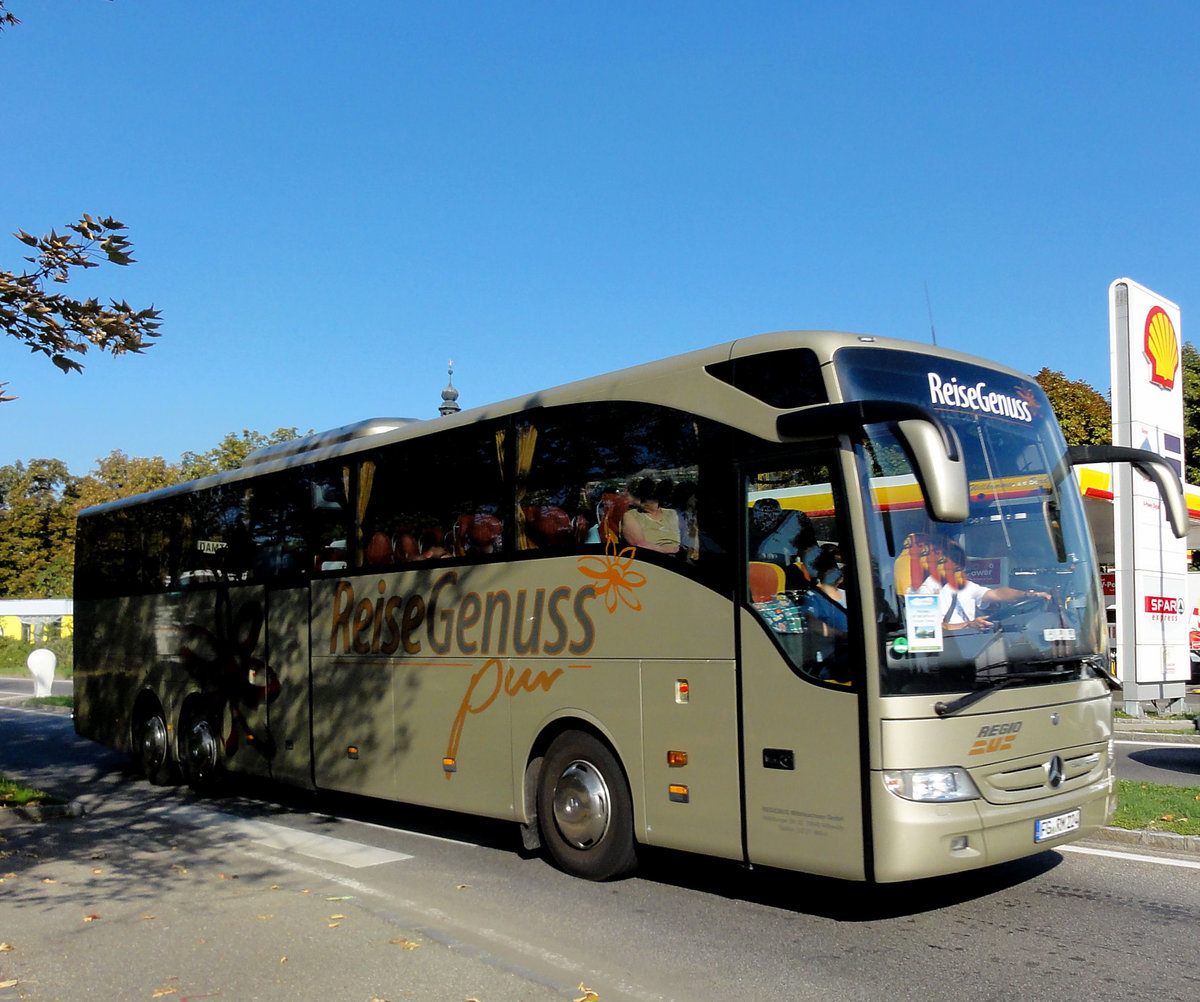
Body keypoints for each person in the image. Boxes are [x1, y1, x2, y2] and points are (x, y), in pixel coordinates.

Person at [920, 539, 1051, 631]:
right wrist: (968, 625)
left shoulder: (963, 586)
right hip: (948, 652)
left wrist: (1027, 595)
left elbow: (997, 594)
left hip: (972, 642)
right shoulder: (924, 591)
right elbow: (927, 631)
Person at [621, 478, 681, 554]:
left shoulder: (671, 513)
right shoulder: (631, 515)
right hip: (653, 560)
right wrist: (673, 550)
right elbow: (639, 545)